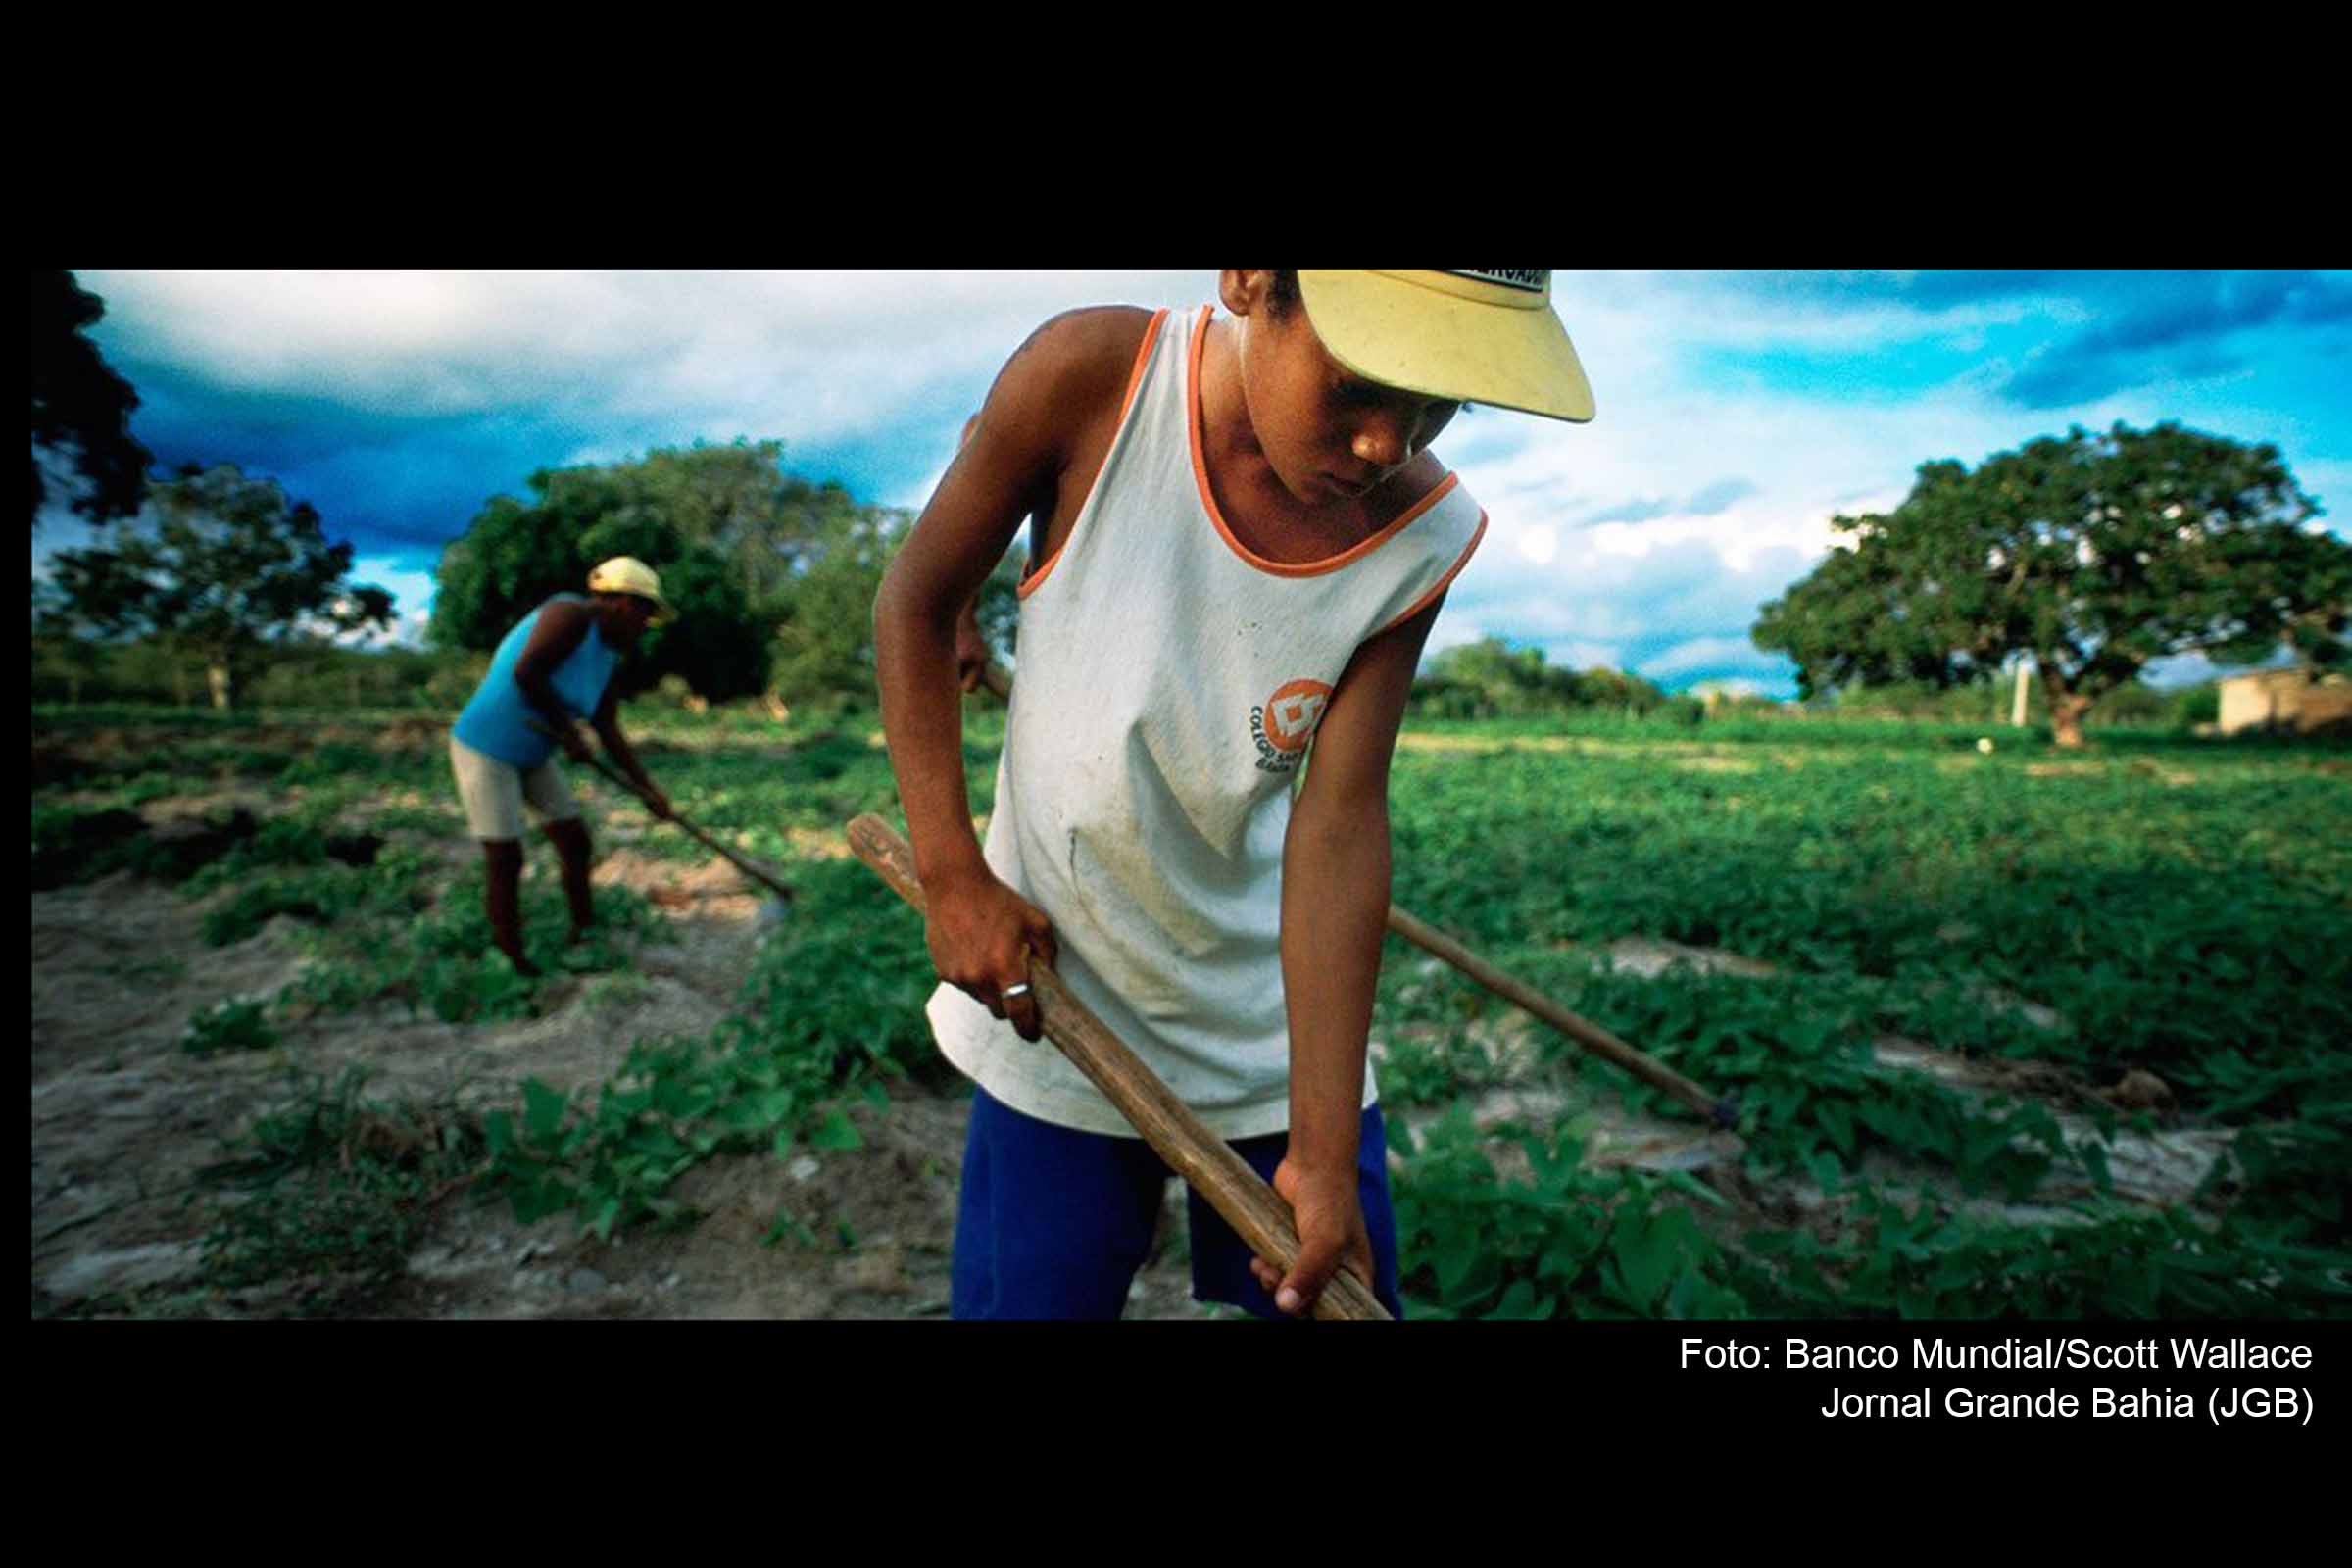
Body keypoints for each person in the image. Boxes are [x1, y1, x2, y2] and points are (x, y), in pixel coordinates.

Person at [874, 270, 1594, 1321]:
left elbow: (1340, 821)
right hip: (1054, 1000)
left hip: (1269, 1040)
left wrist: (1323, 1147)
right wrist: (952, 875)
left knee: (1328, 1292)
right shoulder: (1093, 384)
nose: (1386, 443)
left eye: (1439, 399)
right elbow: (916, 600)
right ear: (1253, 279)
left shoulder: (1419, 533)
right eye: (1361, 382)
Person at [448, 556, 679, 977]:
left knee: (575, 841)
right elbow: (527, 672)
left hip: (533, 752)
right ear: (621, 602)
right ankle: (512, 961)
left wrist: (647, 790)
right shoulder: (569, 614)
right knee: (505, 856)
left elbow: (607, 726)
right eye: (644, 613)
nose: (645, 625)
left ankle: (584, 932)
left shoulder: (608, 654)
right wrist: (568, 733)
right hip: (487, 748)